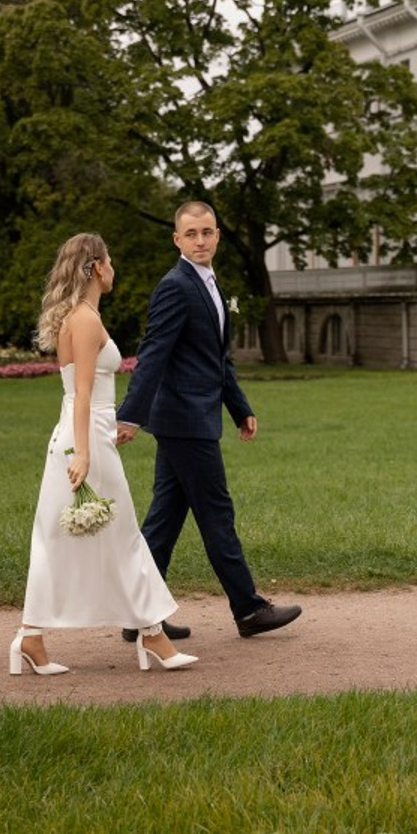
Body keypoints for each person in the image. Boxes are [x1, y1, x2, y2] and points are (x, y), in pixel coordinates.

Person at [13, 233, 199, 676]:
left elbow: (88, 393)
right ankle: (151, 636)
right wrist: (83, 452)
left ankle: (33, 638)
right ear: (96, 267)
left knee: (66, 539)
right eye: (110, 261)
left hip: (90, 432)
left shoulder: (82, 316)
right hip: (83, 437)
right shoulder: (85, 320)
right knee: (123, 535)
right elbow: (80, 394)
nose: (114, 268)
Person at [116, 201, 301, 639]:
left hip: (193, 419)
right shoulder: (175, 286)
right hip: (185, 422)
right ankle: (249, 610)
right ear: (177, 240)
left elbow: (216, 359)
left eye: (207, 232)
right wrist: (130, 417)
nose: (201, 240)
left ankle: (138, 615)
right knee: (217, 514)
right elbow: (153, 354)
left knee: (163, 521)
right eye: (191, 234)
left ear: (217, 235)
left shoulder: (211, 284)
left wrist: (240, 407)